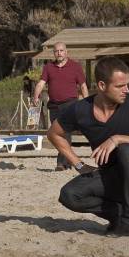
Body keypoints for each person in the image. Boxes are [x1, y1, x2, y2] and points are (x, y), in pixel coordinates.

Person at [49, 56, 129, 238]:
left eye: (128, 84)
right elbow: (54, 134)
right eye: (120, 86)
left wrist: (117, 138)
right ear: (102, 86)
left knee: (126, 149)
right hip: (112, 176)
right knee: (69, 195)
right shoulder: (80, 110)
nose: (126, 90)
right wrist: (78, 164)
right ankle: (119, 215)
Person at [33, 42, 89, 170]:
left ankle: (61, 163)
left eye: (61, 50)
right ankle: (68, 161)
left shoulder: (75, 66)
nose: (59, 53)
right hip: (54, 106)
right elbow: (41, 83)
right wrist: (35, 96)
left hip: (70, 104)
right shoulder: (48, 67)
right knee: (56, 133)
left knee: (66, 132)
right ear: (54, 53)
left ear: (66, 52)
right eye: (57, 51)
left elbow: (83, 86)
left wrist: (86, 103)